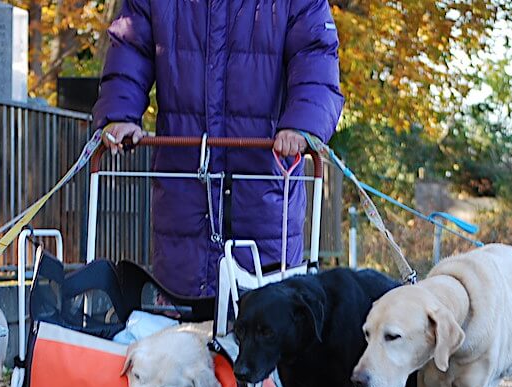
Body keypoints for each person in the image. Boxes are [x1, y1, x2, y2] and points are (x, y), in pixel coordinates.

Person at [93, 0, 344, 298]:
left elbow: (316, 58)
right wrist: (120, 115)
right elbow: (129, 48)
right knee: (182, 305)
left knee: (266, 310)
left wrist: (301, 125)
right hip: (184, 187)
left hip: (263, 186)